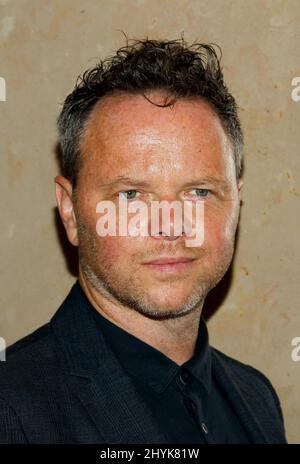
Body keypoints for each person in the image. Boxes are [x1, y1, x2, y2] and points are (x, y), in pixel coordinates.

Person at [0, 38, 287, 443]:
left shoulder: (257, 398)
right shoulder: (11, 410)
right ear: (70, 212)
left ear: (236, 204)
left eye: (199, 192)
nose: (170, 225)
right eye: (131, 195)